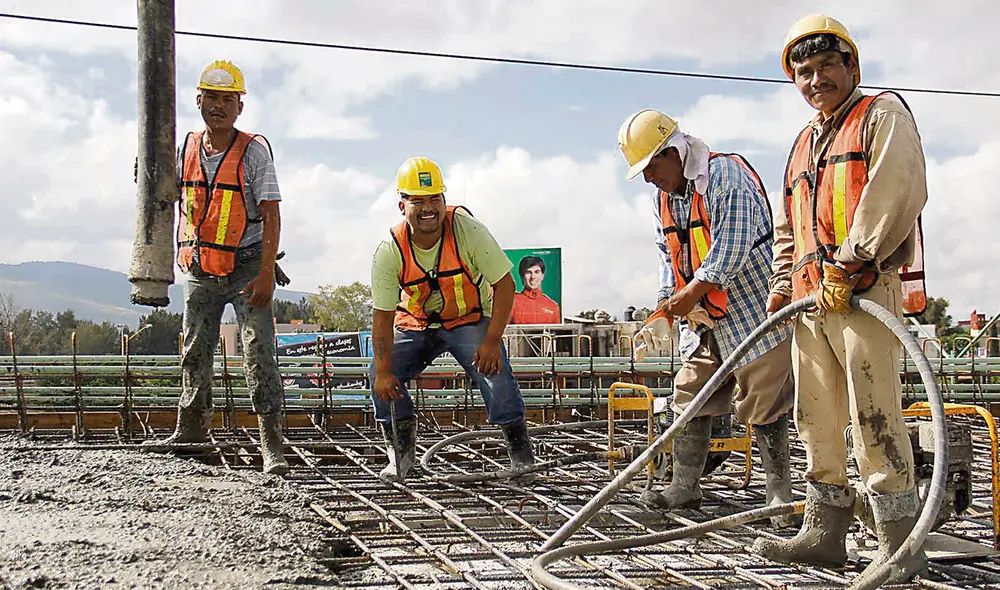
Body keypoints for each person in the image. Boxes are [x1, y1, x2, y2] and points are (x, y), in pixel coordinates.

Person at [751, 15, 929, 583]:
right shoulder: (804, 143)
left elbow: (895, 187)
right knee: (817, 418)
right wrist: (783, 284)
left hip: (863, 290)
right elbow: (790, 225)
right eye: (803, 72)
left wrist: (852, 260)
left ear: (852, 66)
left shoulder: (881, 116)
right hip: (810, 301)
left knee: (873, 414)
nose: (815, 79)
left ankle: (900, 546)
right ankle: (826, 531)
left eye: (827, 66)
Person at [619, 109, 798, 528]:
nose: (648, 178)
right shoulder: (664, 198)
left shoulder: (725, 178)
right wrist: (667, 300)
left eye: (651, 167)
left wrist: (687, 296)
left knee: (765, 400)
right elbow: (669, 254)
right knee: (690, 392)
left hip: (754, 310)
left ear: (673, 151)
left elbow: (729, 251)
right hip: (705, 318)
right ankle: (685, 485)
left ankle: (778, 495)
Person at [143, 60, 289, 475]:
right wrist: (148, 173)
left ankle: (271, 446)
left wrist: (265, 272)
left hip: (246, 265)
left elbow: (272, 215)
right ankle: (191, 432)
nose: (219, 107)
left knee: (258, 352)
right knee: (194, 350)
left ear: (239, 107)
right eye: (212, 98)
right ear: (199, 100)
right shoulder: (186, 148)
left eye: (228, 100)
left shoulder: (253, 152)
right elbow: (164, 190)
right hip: (202, 266)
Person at [368, 156, 535, 483]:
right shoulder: (390, 250)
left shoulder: (468, 231)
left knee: (495, 370)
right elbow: (382, 317)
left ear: (444, 200)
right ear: (402, 206)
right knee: (379, 373)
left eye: (435, 199)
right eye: (418, 201)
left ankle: (521, 458)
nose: (428, 208)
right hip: (416, 324)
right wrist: (385, 371)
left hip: (467, 320)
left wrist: (490, 341)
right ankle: (401, 457)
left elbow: (504, 284)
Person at [510, 255, 561, 324]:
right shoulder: (512, 302)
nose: (533, 277)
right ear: (522, 276)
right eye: (528, 272)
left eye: (537, 272)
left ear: (542, 275)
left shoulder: (553, 306)